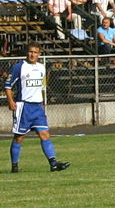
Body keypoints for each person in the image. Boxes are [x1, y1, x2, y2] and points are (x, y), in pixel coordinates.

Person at [5, 43, 70, 173]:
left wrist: (41, 102)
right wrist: (11, 101)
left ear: (39, 54)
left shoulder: (41, 68)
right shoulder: (19, 67)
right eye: (30, 52)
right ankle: (15, 166)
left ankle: (54, 164)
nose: (32, 54)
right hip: (24, 107)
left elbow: (41, 86)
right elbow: (8, 86)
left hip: (37, 107)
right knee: (19, 137)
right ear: (26, 53)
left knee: (44, 134)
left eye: (35, 52)